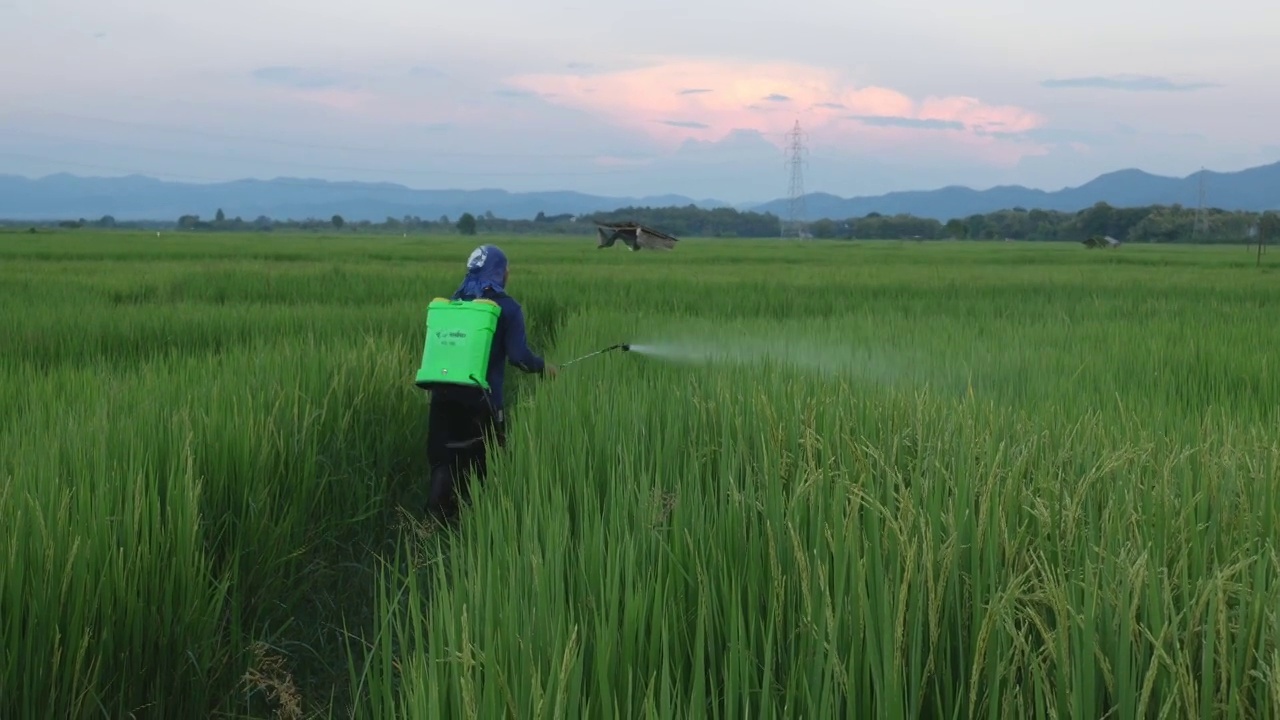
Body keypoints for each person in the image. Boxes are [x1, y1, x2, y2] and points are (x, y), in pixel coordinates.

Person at [426, 244, 558, 522]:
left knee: (444, 463)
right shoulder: (507, 308)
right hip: (482, 401)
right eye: (506, 269)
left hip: (442, 396)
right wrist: (544, 367)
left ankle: (434, 530)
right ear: (500, 272)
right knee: (481, 471)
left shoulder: (454, 303)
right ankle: (476, 533)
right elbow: (519, 357)